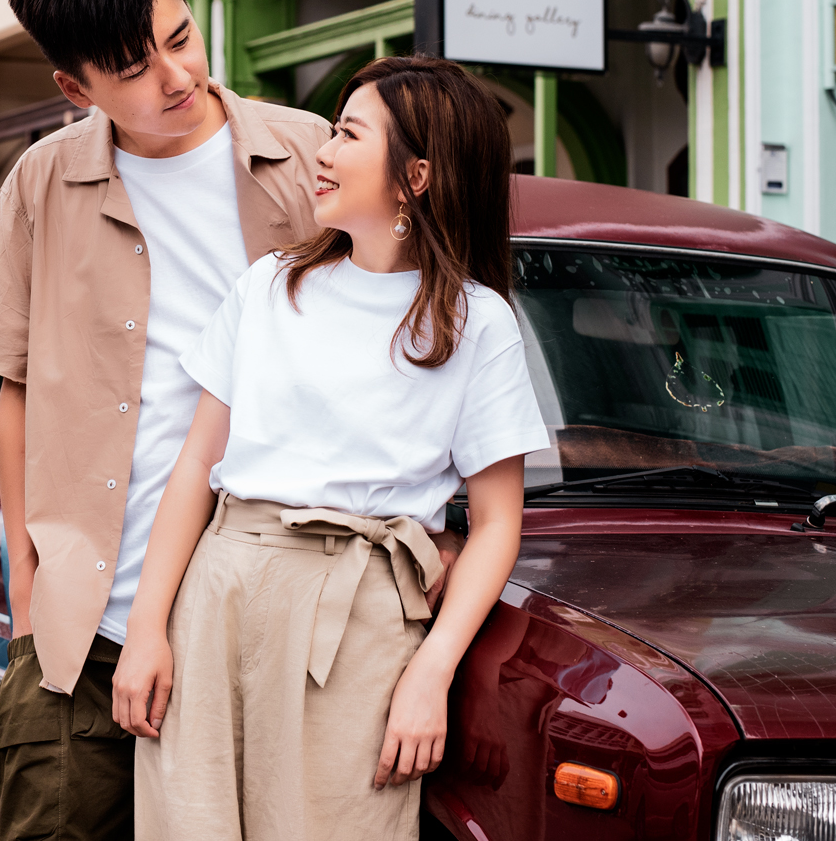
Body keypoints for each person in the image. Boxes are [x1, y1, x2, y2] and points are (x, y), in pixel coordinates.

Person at [0, 0, 337, 841]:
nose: (176, 77)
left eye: (180, 39)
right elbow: (17, 386)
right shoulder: (41, 183)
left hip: (252, 620)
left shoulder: (306, 156)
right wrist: (27, 597)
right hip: (80, 636)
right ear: (75, 87)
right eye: (133, 67)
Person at [110, 55, 548, 841]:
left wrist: (431, 670)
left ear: (415, 174)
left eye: (348, 133)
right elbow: (193, 469)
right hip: (221, 594)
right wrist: (148, 627)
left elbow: (497, 525)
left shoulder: (476, 324)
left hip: (361, 620)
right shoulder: (270, 287)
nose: (321, 150)